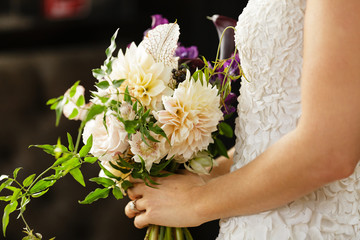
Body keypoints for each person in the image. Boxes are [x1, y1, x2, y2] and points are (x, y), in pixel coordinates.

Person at [125, 0, 360, 238]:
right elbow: (277, 124)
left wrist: (195, 201)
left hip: (313, 224)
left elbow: (331, 150)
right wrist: (208, 173)